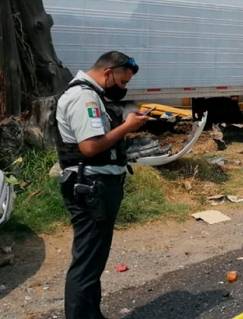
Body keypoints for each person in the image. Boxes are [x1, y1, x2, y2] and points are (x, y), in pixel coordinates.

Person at [55, 51, 150, 319]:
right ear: (108, 73)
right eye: (121, 81)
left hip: (97, 186)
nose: (123, 87)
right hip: (91, 188)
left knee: (93, 260)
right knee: (87, 263)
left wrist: (127, 121)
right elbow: (90, 146)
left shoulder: (93, 96)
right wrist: (127, 127)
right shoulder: (83, 96)